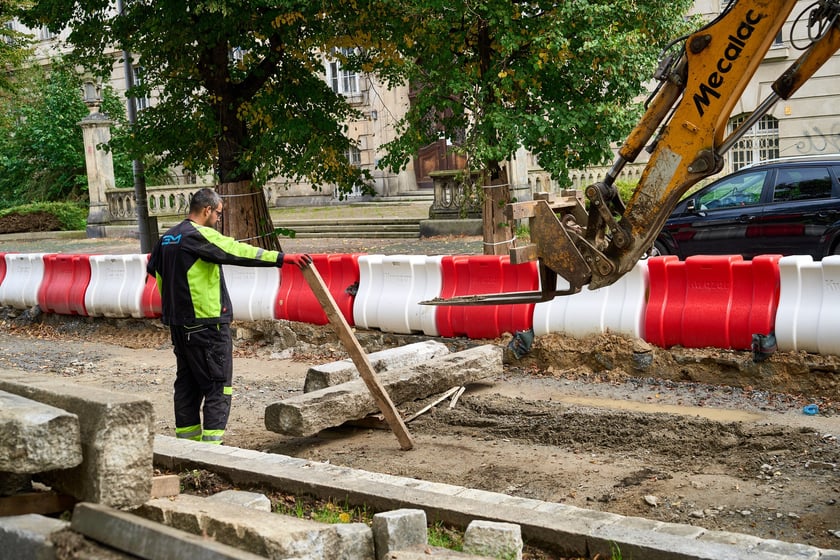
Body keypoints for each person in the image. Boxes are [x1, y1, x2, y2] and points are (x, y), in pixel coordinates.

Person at [147, 188, 311, 445]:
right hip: (207, 324)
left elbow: (155, 272)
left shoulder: (167, 238)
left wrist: (176, 308)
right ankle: (212, 448)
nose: (218, 219)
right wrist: (282, 258)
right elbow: (237, 251)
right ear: (207, 210)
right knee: (218, 385)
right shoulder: (199, 235)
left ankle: (187, 445)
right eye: (218, 214)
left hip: (178, 324)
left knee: (188, 384)